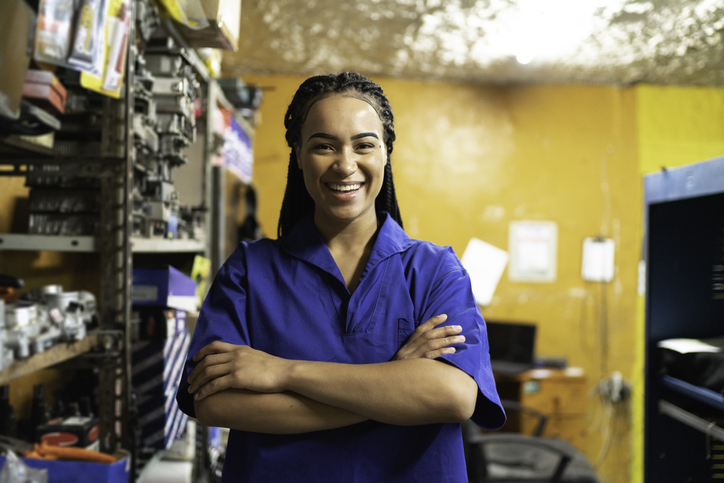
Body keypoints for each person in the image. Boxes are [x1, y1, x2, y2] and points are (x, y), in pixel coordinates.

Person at [176, 72, 506, 482]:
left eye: (364, 145)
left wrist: (283, 372)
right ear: (298, 154)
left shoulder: (437, 271)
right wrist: (393, 382)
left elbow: (453, 396)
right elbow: (214, 402)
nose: (345, 164)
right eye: (324, 146)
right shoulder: (249, 270)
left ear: (386, 153)